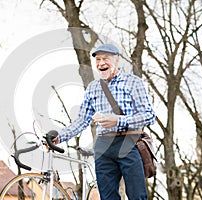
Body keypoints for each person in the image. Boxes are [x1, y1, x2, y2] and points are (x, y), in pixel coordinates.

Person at [55, 44, 155, 200]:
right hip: (103, 145)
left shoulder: (134, 82)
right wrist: (60, 137)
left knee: (137, 196)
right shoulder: (93, 88)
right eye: (98, 59)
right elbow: (82, 119)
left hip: (128, 141)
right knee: (107, 197)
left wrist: (119, 120)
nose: (101, 63)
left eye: (105, 59)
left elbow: (149, 115)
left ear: (117, 60)